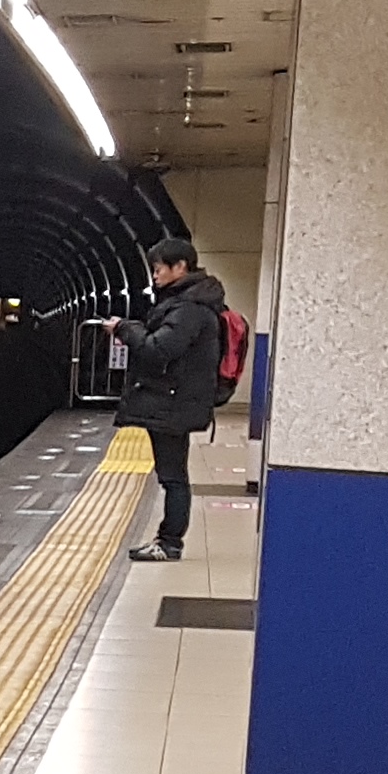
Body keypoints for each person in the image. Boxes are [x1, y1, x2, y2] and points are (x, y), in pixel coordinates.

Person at [99, 237, 230, 561]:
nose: (155, 275)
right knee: (172, 475)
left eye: (159, 269)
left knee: (173, 478)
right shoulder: (193, 303)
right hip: (176, 401)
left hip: (173, 404)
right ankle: (168, 540)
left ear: (180, 267)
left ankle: (169, 543)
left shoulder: (189, 308)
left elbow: (159, 349)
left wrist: (125, 329)